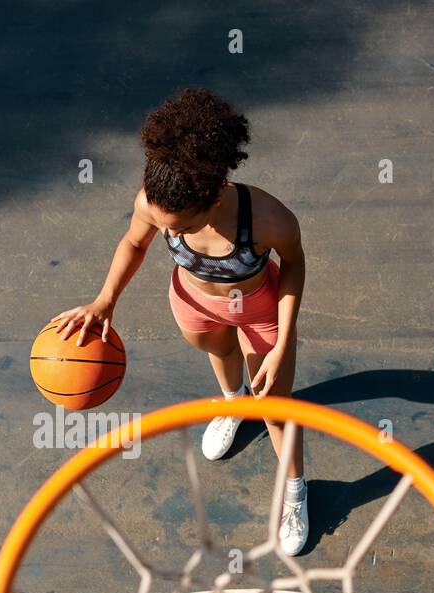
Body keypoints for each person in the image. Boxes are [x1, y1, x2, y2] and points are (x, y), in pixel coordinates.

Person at [52, 87, 309, 554]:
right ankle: (233, 403)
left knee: (275, 406)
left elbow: (294, 266)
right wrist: (105, 299)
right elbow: (134, 242)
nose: (171, 233)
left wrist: (282, 342)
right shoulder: (155, 200)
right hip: (193, 301)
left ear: (213, 199)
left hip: (257, 310)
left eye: (182, 228)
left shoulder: (268, 218)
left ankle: (295, 489)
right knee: (218, 351)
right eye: (166, 225)